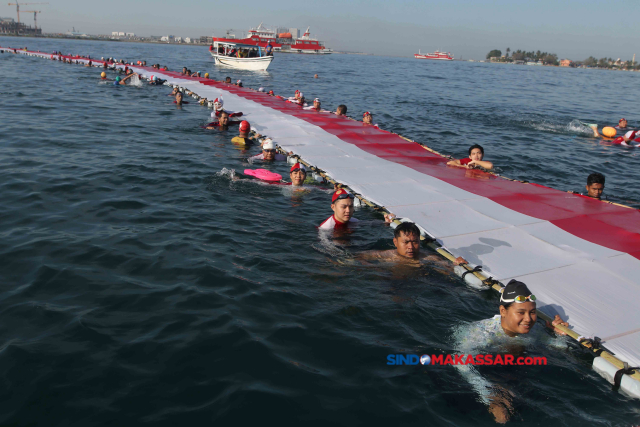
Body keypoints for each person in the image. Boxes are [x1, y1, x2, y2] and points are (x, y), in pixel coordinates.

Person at [452, 279, 568, 424]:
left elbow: (560, 349)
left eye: (532, 312)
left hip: (518, 372)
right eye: (521, 312)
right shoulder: (480, 333)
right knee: (502, 417)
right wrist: (488, 393)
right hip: (485, 373)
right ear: (503, 311)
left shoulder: (535, 330)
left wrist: (559, 334)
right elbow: (460, 363)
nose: (528, 319)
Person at [357, 222, 467, 266]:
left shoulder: (427, 257)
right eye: (406, 242)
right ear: (395, 242)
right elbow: (358, 257)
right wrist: (374, 268)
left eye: (415, 242)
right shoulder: (387, 255)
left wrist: (456, 264)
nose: (410, 247)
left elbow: (448, 269)